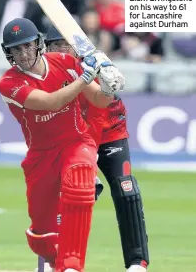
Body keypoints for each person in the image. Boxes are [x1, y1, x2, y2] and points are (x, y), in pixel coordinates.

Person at [0, 17, 122, 272]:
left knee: (80, 181)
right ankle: (55, 262)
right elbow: (51, 102)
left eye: (28, 45)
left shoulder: (65, 62)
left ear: (38, 43)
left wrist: (108, 87)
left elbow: (99, 101)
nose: (23, 53)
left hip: (76, 141)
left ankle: (72, 266)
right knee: (42, 237)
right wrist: (87, 75)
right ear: (8, 53)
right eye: (16, 49)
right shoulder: (8, 83)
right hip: (41, 156)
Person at [45, 25, 150, 272]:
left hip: (110, 131)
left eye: (66, 45)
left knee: (126, 188)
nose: (61, 51)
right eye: (55, 46)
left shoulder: (92, 66)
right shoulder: (45, 75)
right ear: (47, 50)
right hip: (76, 136)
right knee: (72, 191)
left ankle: (137, 263)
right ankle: (60, 259)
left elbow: (102, 108)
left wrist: (108, 76)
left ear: (76, 48)